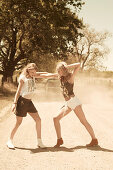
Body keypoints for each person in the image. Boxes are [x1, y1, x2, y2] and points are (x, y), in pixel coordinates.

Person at [50, 62, 98, 147]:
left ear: (63, 69)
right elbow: (47, 75)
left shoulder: (70, 77)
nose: (58, 71)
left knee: (83, 121)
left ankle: (94, 139)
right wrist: (34, 75)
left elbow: (78, 64)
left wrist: (66, 66)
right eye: (57, 70)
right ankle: (59, 140)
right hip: (68, 103)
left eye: (59, 70)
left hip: (74, 101)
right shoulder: (60, 77)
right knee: (55, 118)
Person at [7, 63, 53, 149]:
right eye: (31, 72)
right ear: (27, 70)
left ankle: (39, 142)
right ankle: (9, 140)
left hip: (29, 102)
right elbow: (18, 91)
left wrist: (58, 74)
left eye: (34, 72)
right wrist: (14, 103)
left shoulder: (34, 76)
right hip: (22, 102)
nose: (33, 74)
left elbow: (45, 75)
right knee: (18, 122)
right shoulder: (23, 78)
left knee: (38, 120)